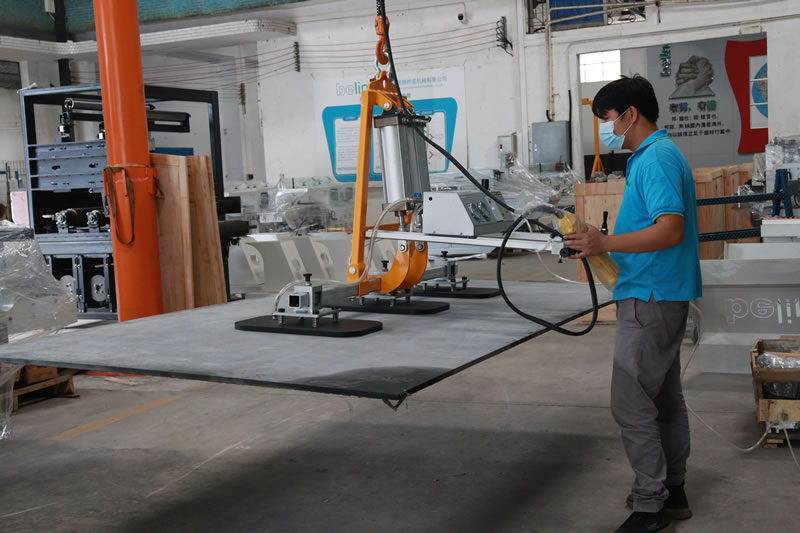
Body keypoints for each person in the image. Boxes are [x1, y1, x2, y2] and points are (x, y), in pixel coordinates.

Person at [564, 75, 702, 533]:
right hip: (661, 291)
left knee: (630, 402)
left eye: (606, 119)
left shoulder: (656, 158)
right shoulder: (655, 155)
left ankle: (649, 506)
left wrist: (605, 243)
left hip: (651, 296)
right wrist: (599, 241)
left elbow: (670, 229)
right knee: (663, 397)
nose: (605, 129)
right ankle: (673, 491)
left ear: (630, 114)